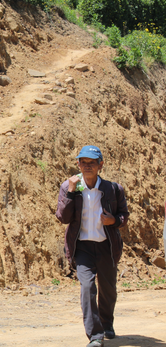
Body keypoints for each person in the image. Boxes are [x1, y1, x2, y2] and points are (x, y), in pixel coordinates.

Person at [56, 145, 129, 347]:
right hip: (83, 248)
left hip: (107, 247)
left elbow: (124, 216)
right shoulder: (69, 186)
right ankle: (95, 335)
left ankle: (107, 324)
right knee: (87, 287)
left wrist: (113, 221)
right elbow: (63, 217)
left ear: (100, 166)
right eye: (83, 162)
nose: (87, 166)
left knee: (108, 289)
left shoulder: (112, 189)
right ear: (78, 164)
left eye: (92, 163)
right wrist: (70, 193)